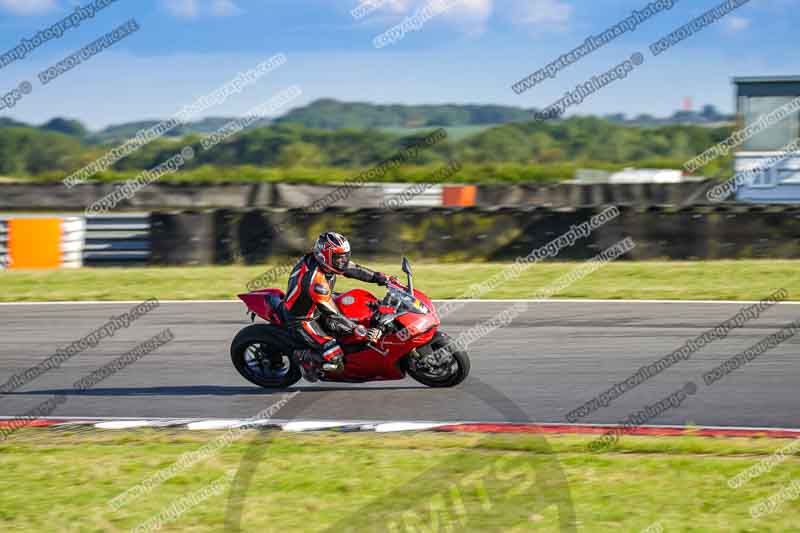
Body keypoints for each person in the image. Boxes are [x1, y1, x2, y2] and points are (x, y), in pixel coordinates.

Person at [284, 232, 390, 374]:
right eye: (339, 258)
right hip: (303, 318)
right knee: (334, 355)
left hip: (319, 302)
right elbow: (333, 314)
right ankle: (304, 357)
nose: (343, 261)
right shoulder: (315, 281)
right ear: (324, 257)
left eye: (345, 256)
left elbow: (354, 269)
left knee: (361, 305)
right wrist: (357, 330)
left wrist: (380, 278)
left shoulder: (325, 263)